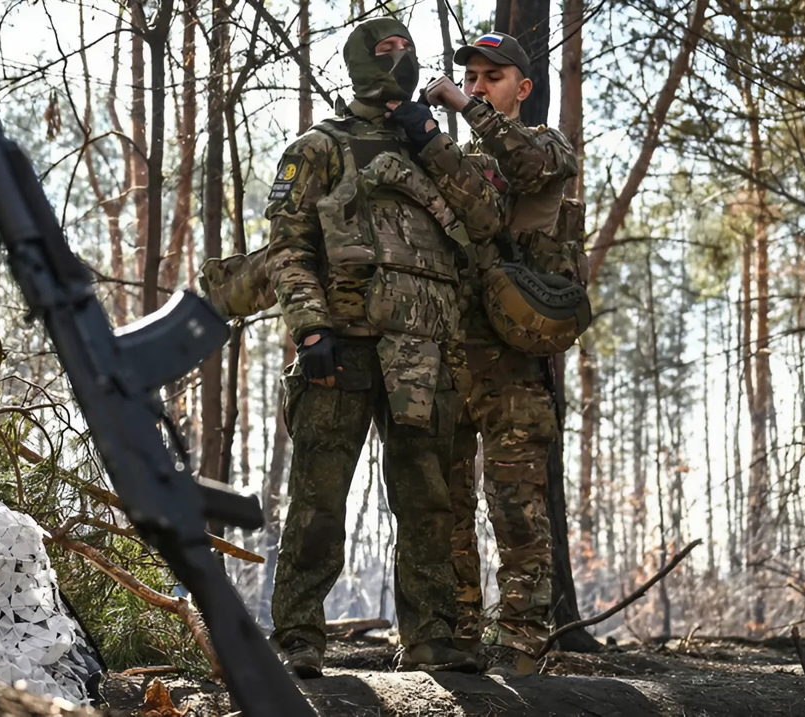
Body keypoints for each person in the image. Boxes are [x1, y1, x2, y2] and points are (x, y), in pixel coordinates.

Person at [264, 17, 508, 678]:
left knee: (428, 500)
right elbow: (288, 246)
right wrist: (310, 327)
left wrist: (430, 140)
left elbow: (487, 220)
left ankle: (430, 637)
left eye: (407, 49)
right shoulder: (319, 146)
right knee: (318, 497)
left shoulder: (437, 147)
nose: (399, 59)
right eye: (384, 50)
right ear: (357, 62)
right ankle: (298, 636)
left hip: (425, 351)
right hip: (341, 346)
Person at [422, 31, 584, 669]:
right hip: (450, 350)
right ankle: (459, 638)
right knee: (447, 504)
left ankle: (523, 645)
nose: (479, 86)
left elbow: (524, 168)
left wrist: (466, 108)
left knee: (516, 506)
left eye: (493, 77)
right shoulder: (455, 158)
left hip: (514, 362)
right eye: (473, 78)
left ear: (523, 87)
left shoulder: (547, 145)